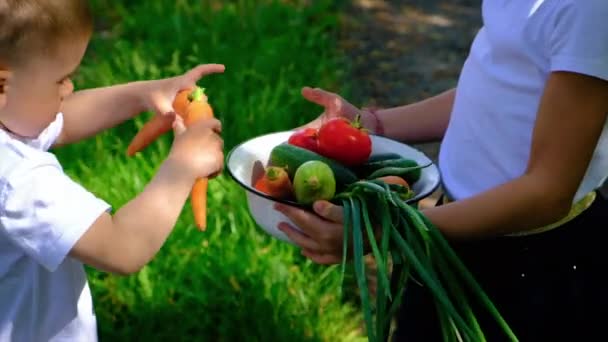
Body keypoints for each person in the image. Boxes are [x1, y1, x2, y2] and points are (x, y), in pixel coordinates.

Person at [274, 1, 608, 341]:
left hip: (536, 267)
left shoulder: (589, 10)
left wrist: (389, 232)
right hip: (452, 230)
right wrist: (374, 124)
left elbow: (547, 192)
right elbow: (496, 90)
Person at [0, 1, 225, 340]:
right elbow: (122, 248)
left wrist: (143, 94)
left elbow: (59, 120)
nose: (69, 89)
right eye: (61, 79)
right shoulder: (17, 181)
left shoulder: (11, 125)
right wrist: (181, 167)